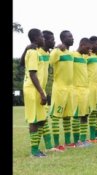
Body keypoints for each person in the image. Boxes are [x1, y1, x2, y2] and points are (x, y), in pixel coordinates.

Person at [23, 28, 48, 157]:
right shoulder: (32, 52)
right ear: (36, 38)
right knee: (34, 120)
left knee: (42, 120)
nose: (43, 39)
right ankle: (34, 151)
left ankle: (37, 149)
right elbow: (32, 74)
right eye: (42, 37)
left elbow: (23, 64)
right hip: (33, 89)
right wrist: (41, 93)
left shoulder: (35, 52)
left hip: (37, 89)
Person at [49, 30, 75, 150]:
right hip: (60, 89)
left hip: (70, 89)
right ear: (63, 39)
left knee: (67, 116)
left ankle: (68, 142)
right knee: (56, 116)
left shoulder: (70, 53)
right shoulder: (57, 51)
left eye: (72, 36)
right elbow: (50, 61)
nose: (72, 38)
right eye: (70, 37)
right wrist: (55, 48)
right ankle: (55, 144)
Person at [71, 38, 92, 147]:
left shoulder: (84, 57)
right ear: (82, 45)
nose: (89, 51)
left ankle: (83, 139)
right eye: (88, 48)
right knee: (76, 115)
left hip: (85, 89)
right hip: (76, 89)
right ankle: (76, 141)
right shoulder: (72, 55)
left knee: (85, 115)